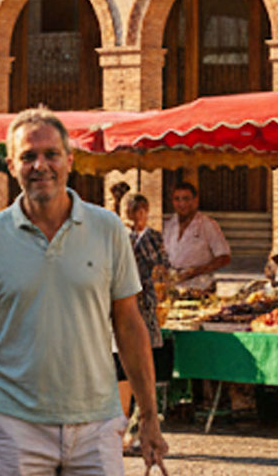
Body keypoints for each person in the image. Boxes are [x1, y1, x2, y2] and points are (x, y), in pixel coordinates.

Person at [0, 106, 168, 476]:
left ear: (69, 161)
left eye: (51, 154)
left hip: (98, 422)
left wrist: (150, 416)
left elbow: (129, 324)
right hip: (15, 423)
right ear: (11, 165)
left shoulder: (107, 230)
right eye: (28, 156)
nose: (40, 165)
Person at [118, 192, 171, 453]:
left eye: (136, 211)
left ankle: (142, 425)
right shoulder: (119, 236)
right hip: (124, 305)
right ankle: (123, 428)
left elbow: (162, 265)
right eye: (128, 211)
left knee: (146, 363)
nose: (132, 216)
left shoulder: (153, 237)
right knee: (123, 367)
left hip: (146, 304)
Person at [163, 181, 231, 289]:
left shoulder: (207, 224)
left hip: (201, 286)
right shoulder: (169, 225)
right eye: (177, 199)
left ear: (195, 201)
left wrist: (197, 271)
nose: (181, 204)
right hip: (175, 286)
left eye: (186, 199)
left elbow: (224, 257)